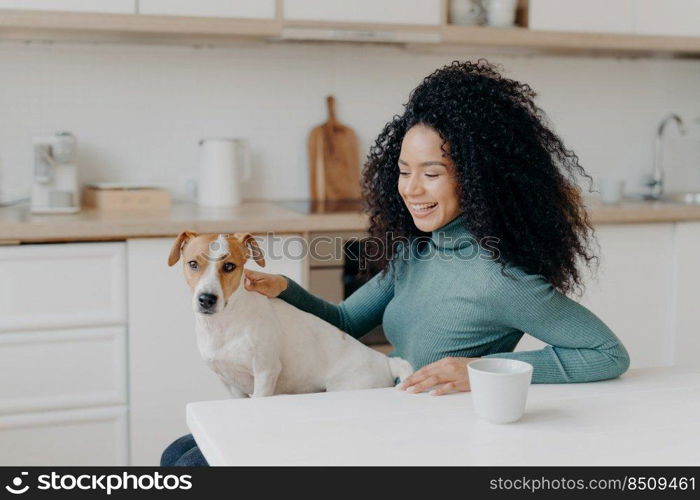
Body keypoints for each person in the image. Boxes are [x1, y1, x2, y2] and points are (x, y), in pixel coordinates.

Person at [161, 59, 629, 467]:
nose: (411, 189)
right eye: (404, 171)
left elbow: (606, 354)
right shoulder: (416, 252)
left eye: (432, 173)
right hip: (371, 399)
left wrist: (480, 369)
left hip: (418, 437)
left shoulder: (500, 279)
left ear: (480, 178)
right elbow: (346, 321)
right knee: (179, 453)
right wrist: (284, 287)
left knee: (192, 466)